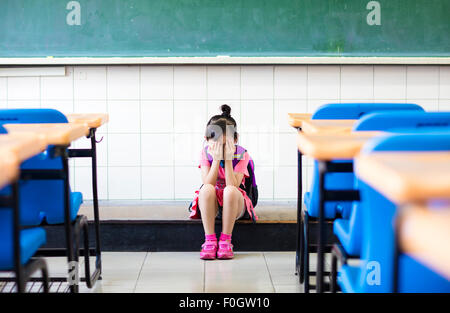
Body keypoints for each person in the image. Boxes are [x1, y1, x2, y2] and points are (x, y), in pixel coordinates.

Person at [189, 104, 258, 260]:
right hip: (213, 204)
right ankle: (210, 240)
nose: (221, 148)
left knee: (230, 190)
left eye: (226, 144)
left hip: (235, 203)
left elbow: (233, 185)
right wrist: (216, 159)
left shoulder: (241, 154)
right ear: (207, 140)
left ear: (235, 139)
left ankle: (226, 240)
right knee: (206, 188)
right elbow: (208, 182)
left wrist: (228, 159)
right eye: (217, 144)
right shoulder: (205, 153)